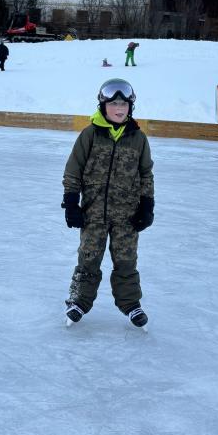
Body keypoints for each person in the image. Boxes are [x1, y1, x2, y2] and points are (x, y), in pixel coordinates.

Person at [62, 78, 154, 330]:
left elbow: (146, 174)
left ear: (130, 107)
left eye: (124, 104)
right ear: (103, 106)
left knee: (126, 261)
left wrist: (147, 205)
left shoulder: (138, 138)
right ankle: (78, 302)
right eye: (114, 104)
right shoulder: (90, 135)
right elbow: (73, 170)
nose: (119, 108)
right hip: (93, 213)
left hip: (127, 216)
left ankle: (131, 304)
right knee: (88, 259)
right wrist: (71, 202)